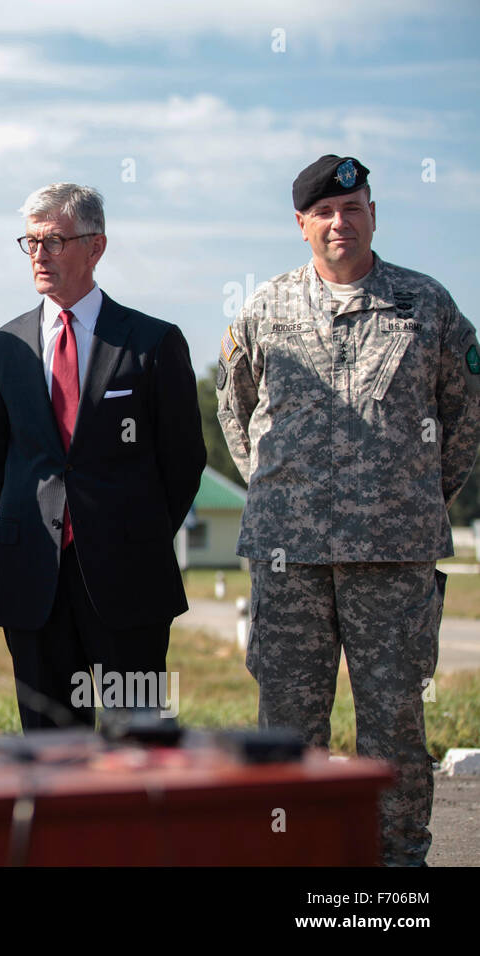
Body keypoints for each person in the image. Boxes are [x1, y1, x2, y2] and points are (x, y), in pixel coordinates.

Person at [216, 155, 480, 866]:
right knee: (287, 732)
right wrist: (281, 492)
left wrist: (415, 495)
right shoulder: (265, 308)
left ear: (373, 214)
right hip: (287, 558)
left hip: (394, 559)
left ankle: (396, 875)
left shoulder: (428, 306)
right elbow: (235, 409)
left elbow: (464, 417)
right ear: (301, 225)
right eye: (325, 213)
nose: (341, 222)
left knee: (394, 729)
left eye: (354, 207)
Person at [0, 183, 204, 733]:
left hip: (130, 579)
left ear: (95, 247)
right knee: (50, 752)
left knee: (139, 743)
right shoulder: (1, 350)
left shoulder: (152, 342)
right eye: (31, 243)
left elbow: (183, 461)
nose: (40, 256)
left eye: (54, 241)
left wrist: (128, 530)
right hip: (34, 583)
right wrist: (48, 521)